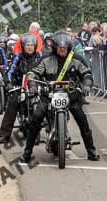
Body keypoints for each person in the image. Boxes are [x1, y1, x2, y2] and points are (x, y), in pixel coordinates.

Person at [20, 31, 100, 162]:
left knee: (82, 120)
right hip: (49, 94)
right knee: (36, 117)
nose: (62, 50)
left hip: (71, 95)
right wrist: (33, 85)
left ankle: (91, 151)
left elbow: (87, 74)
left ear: (68, 47)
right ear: (54, 48)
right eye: (59, 48)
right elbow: (33, 74)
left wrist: (86, 85)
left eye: (64, 48)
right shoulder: (45, 60)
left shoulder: (77, 59)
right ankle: (27, 153)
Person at [0, 34, 42, 144]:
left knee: (47, 104)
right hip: (20, 86)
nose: (29, 47)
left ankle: (55, 134)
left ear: (35, 46)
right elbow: (9, 71)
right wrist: (8, 83)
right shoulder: (18, 57)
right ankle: (5, 135)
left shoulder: (40, 56)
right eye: (27, 45)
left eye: (32, 45)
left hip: (37, 86)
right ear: (23, 46)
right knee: (12, 104)